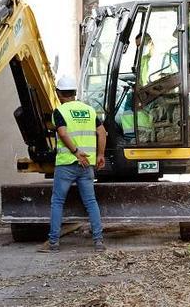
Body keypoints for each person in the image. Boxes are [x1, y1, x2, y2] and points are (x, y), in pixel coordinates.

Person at [38, 74, 107, 253]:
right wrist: (100, 155)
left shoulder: (60, 111)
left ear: (60, 94)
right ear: (75, 92)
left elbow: (62, 133)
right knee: (91, 202)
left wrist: (76, 152)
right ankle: (98, 242)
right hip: (87, 165)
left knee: (58, 202)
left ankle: (53, 243)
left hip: (67, 163)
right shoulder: (89, 110)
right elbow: (102, 132)